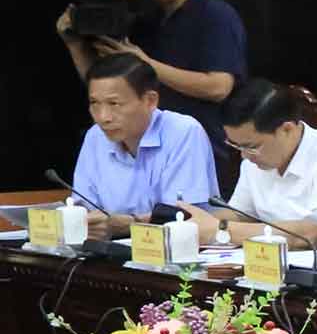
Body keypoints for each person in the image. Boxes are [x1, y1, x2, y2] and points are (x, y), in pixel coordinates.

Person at [56, 0, 248, 129]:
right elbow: (106, 88)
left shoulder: (215, 14)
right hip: (149, 141)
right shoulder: (144, 20)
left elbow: (218, 88)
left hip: (200, 141)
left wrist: (146, 64)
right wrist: (75, 45)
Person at [188, 79, 317, 251]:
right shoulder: (254, 160)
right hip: (276, 266)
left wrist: (221, 230)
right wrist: (194, 225)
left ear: (287, 129)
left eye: (251, 147)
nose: (244, 156)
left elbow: (312, 234)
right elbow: (241, 214)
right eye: (237, 146)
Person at [66, 53, 217, 239]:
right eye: (94, 103)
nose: (103, 117)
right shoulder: (95, 136)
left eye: (114, 104)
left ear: (150, 101)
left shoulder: (183, 131)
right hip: (109, 249)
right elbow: (84, 208)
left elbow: (182, 217)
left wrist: (128, 224)